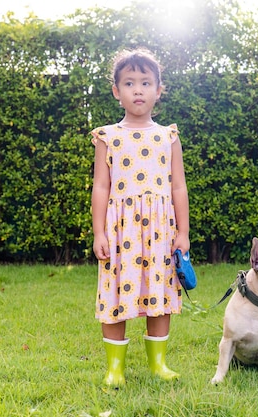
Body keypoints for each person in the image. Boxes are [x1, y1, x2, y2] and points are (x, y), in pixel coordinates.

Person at [90, 47, 190, 386]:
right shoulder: (108, 136)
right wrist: (99, 233)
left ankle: (157, 364)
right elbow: (101, 188)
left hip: (161, 231)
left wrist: (184, 232)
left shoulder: (168, 136)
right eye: (129, 83)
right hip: (120, 231)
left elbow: (179, 188)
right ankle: (114, 368)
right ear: (116, 92)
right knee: (115, 292)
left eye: (146, 82)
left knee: (158, 294)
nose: (138, 89)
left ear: (159, 90)